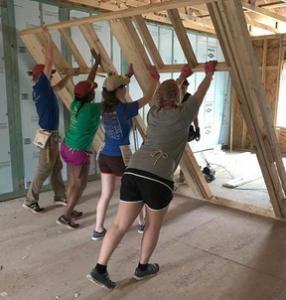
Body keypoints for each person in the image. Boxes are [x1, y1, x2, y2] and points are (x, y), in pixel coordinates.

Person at [86, 60, 217, 290]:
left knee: (118, 225)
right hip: (158, 176)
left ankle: (99, 269)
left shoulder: (153, 113)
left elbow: (168, 94)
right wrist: (208, 74)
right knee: (151, 226)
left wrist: (180, 77)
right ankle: (142, 268)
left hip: (134, 170)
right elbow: (198, 92)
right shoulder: (185, 114)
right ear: (178, 96)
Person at [91, 65, 159, 240]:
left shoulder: (103, 106)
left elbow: (114, 86)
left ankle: (98, 229)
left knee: (105, 194)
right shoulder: (125, 109)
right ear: (120, 90)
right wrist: (156, 80)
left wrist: (128, 75)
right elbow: (149, 97)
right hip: (119, 157)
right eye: (124, 86)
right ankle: (142, 224)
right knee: (133, 191)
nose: (126, 88)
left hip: (104, 155)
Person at [23, 28, 79, 214]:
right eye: (49, 74)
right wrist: (48, 37)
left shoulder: (43, 90)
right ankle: (30, 200)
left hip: (51, 135)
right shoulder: (41, 85)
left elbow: (59, 86)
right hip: (48, 136)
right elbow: (48, 59)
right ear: (41, 76)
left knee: (56, 166)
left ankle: (59, 194)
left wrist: (69, 75)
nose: (52, 75)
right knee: (44, 168)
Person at [57, 49, 102, 230]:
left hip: (67, 147)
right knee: (80, 185)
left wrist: (97, 63)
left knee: (72, 182)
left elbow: (88, 83)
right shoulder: (92, 109)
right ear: (90, 95)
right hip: (77, 152)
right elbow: (113, 101)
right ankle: (66, 216)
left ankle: (70, 208)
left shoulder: (76, 103)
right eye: (93, 91)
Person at [177, 78, 200, 183]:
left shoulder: (189, 98)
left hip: (185, 129)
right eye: (182, 87)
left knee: (184, 152)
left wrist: (197, 128)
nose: (183, 89)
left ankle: (183, 173)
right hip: (174, 129)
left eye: (185, 87)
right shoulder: (173, 98)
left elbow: (194, 115)